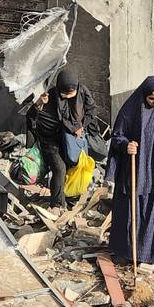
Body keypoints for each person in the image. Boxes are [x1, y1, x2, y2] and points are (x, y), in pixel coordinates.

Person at [106, 76, 154, 269]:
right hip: (136, 170)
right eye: (151, 100)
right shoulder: (131, 108)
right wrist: (126, 145)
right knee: (131, 211)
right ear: (144, 96)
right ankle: (126, 252)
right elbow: (117, 136)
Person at [26, 70, 96, 211]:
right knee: (59, 168)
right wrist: (39, 104)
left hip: (71, 140)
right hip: (51, 139)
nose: (69, 97)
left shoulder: (83, 93)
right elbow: (32, 118)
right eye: (65, 94)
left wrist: (81, 126)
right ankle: (56, 205)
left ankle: (68, 199)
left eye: (72, 94)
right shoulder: (50, 97)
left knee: (72, 165)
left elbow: (91, 112)